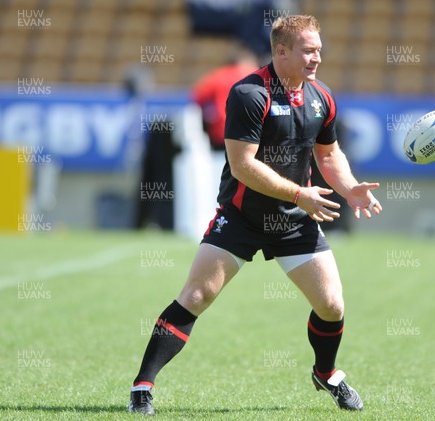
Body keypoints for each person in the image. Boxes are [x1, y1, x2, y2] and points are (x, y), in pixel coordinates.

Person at [128, 14, 382, 415]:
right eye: (308, 50)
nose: (317, 57)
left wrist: (350, 188)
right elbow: (243, 165)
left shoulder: (322, 97)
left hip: (295, 218)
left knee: (332, 306)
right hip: (243, 215)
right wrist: (300, 193)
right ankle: (142, 386)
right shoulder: (249, 94)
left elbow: (329, 154)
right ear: (281, 51)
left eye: (319, 49)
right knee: (196, 295)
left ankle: (326, 373)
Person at [192, 47, 259, 150]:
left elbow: (197, 98)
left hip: (222, 134)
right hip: (253, 134)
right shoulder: (256, 75)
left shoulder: (217, 76)